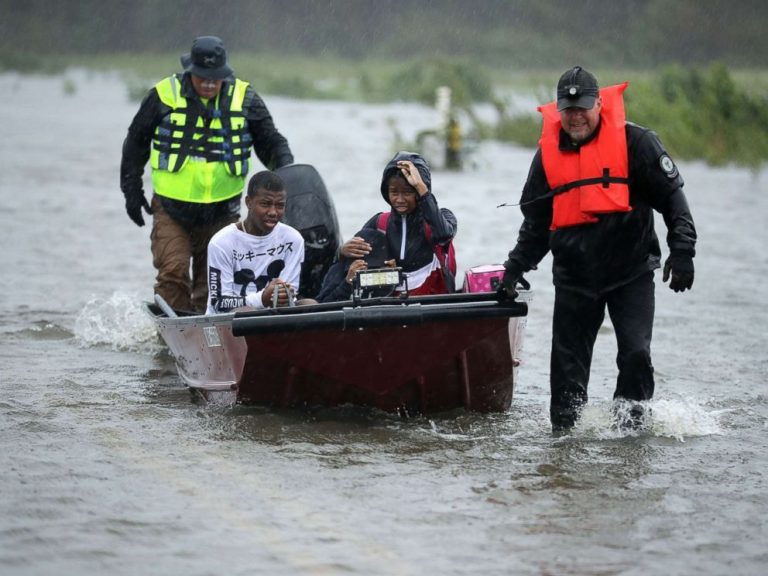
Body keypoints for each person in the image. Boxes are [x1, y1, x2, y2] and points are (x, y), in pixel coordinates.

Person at [501, 66, 697, 432]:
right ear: (558, 109)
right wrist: (514, 269)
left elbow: (674, 201)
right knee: (566, 377)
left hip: (631, 273)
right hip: (574, 278)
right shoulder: (547, 156)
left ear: (599, 104)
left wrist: (682, 250)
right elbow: (538, 224)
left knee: (636, 354)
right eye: (568, 109)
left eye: (583, 108)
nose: (575, 117)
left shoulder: (637, 143)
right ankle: (564, 447)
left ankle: (631, 434)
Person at [120, 35, 294, 313]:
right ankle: (170, 342)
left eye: (216, 77)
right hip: (171, 209)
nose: (210, 83)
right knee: (173, 272)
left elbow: (271, 142)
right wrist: (131, 190)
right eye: (203, 77)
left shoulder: (246, 98)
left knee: (212, 285)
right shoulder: (164, 94)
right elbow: (136, 142)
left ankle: (204, 338)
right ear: (191, 71)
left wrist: (288, 175)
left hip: (222, 212)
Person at [340, 151, 457, 295]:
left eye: (407, 192)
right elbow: (351, 268)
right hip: (391, 304)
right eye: (394, 192)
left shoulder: (442, 218)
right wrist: (342, 252)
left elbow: (443, 235)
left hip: (432, 303)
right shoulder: (378, 223)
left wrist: (421, 187)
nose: (400, 200)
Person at [206, 171, 304, 314]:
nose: (273, 212)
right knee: (247, 311)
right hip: (230, 320)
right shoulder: (221, 243)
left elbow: (289, 298)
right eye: (265, 204)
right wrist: (262, 299)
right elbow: (219, 303)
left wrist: (283, 295)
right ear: (248, 202)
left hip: (274, 318)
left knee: (309, 304)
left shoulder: (293, 239)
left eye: (280, 205)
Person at [315, 228, 391, 303]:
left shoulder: (386, 273)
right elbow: (323, 305)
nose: (366, 270)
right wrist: (347, 284)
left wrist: (390, 282)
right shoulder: (338, 271)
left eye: (373, 267)